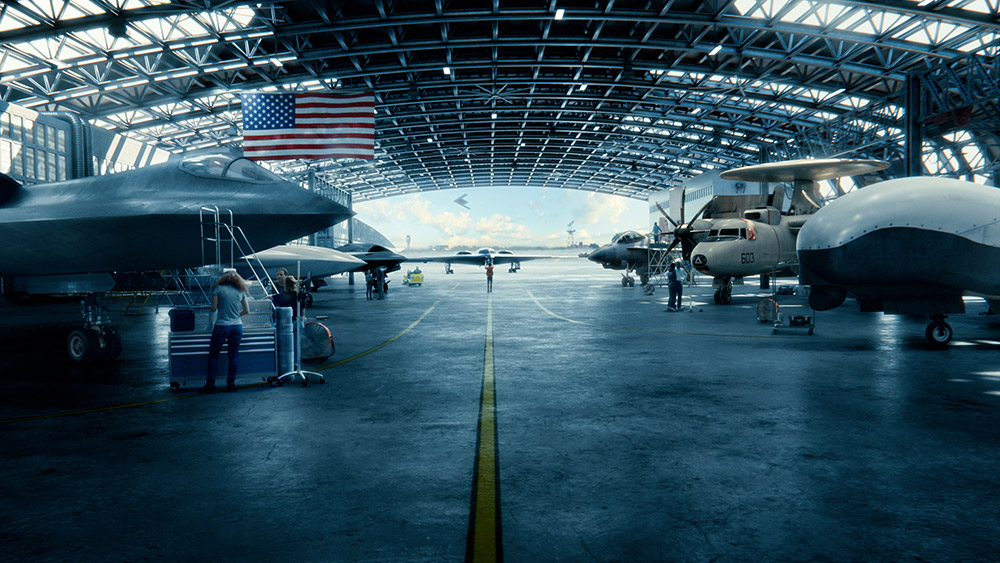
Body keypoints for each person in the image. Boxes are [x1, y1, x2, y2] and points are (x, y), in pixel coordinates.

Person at [201, 270, 250, 393]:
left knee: (214, 355)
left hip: (222, 325)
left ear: (223, 278)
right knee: (233, 356)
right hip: (237, 326)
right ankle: (231, 384)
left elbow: (213, 308)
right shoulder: (240, 290)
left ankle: (211, 384)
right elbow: (247, 311)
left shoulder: (218, 288)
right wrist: (236, 315)